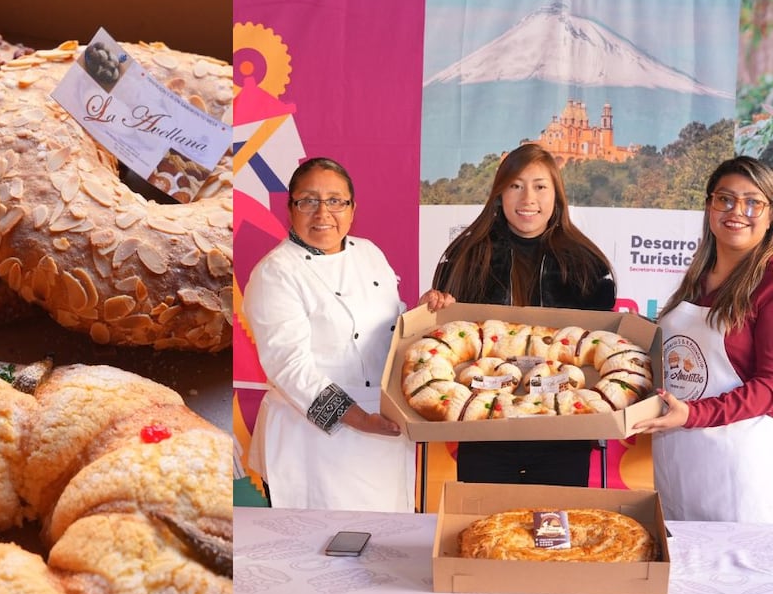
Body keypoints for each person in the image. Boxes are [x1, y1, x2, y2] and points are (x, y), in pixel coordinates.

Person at [419, 143, 616, 487]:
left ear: (556, 195)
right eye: (515, 185)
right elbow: (447, 337)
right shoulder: (465, 256)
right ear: (499, 193)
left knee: (556, 520)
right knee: (486, 519)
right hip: (485, 430)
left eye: (540, 186)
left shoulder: (588, 264)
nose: (528, 199)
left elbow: (599, 349)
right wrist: (432, 309)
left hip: (562, 434)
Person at [243, 157, 417, 511]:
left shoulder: (369, 253)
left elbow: (390, 329)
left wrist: (427, 315)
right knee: (323, 539)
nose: (323, 213)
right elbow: (290, 368)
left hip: (383, 428)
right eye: (308, 201)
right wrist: (359, 419)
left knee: (387, 534)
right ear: (290, 209)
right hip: (313, 442)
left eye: (336, 201)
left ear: (352, 209)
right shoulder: (275, 272)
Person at [634, 156, 773, 523]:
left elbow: (770, 386)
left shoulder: (769, 283)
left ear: (770, 214)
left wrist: (693, 414)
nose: (737, 211)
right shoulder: (698, 277)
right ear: (710, 206)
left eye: (753, 202)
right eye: (725, 198)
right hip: (677, 459)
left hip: (736, 468)